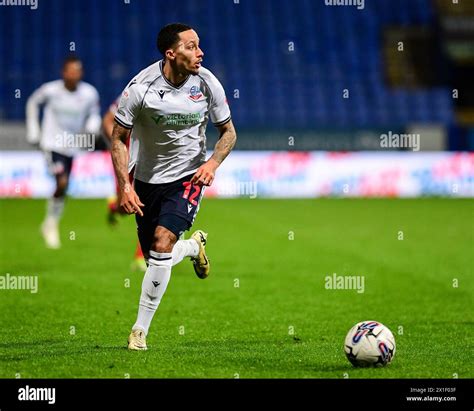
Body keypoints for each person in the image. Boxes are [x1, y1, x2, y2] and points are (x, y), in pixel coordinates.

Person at [111, 23, 237, 350]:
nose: (200, 52)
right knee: (157, 255)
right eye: (192, 46)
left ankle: (139, 331)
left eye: (199, 45)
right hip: (146, 180)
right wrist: (125, 186)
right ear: (171, 53)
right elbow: (119, 139)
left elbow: (229, 132)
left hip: (188, 177)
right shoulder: (140, 88)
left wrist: (210, 164)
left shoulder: (207, 83)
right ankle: (194, 248)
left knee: (162, 241)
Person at [26, 56, 101, 249]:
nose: (74, 74)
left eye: (78, 71)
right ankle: (51, 226)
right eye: (71, 70)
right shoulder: (50, 90)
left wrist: (93, 125)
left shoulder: (89, 93)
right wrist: (33, 129)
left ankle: (50, 222)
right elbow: (32, 102)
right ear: (64, 72)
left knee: (64, 186)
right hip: (52, 143)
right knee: (62, 181)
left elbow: (93, 113)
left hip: (73, 146)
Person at [102, 97, 146, 272]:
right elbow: (107, 120)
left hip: (148, 158)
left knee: (147, 205)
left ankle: (141, 257)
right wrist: (116, 141)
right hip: (125, 159)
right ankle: (114, 207)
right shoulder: (132, 93)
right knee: (126, 207)